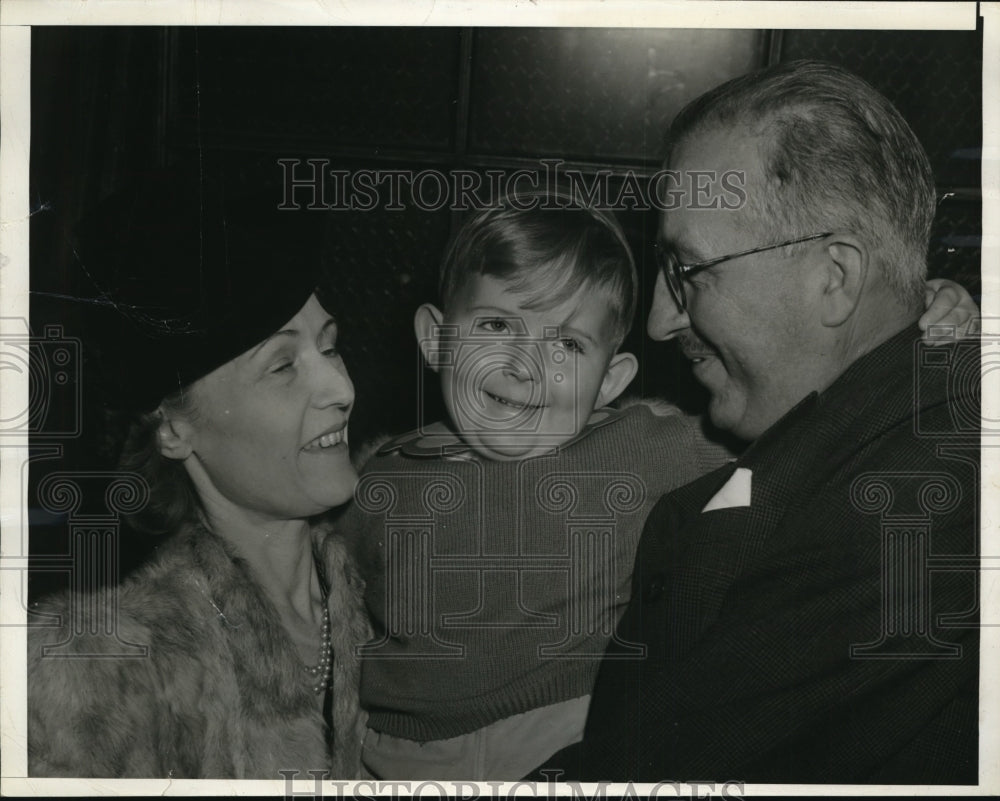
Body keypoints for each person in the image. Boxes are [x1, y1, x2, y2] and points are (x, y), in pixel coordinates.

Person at [343, 192, 975, 780]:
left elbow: (810, 425)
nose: (522, 365)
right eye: (496, 326)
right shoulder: (374, 480)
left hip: (567, 732)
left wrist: (912, 317)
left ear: (612, 380)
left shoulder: (647, 446)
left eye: (565, 343)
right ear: (435, 337)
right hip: (396, 754)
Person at [537, 60, 980, 784]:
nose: (656, 321)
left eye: (689, 271)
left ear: (834, 277)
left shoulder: (911, 510)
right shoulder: (887, 429)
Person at [27, 171, 372, 778]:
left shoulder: (393, 579)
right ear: (175, 429)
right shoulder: (105, 672)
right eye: (282, 367)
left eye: (331, 345)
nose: (342, 389)